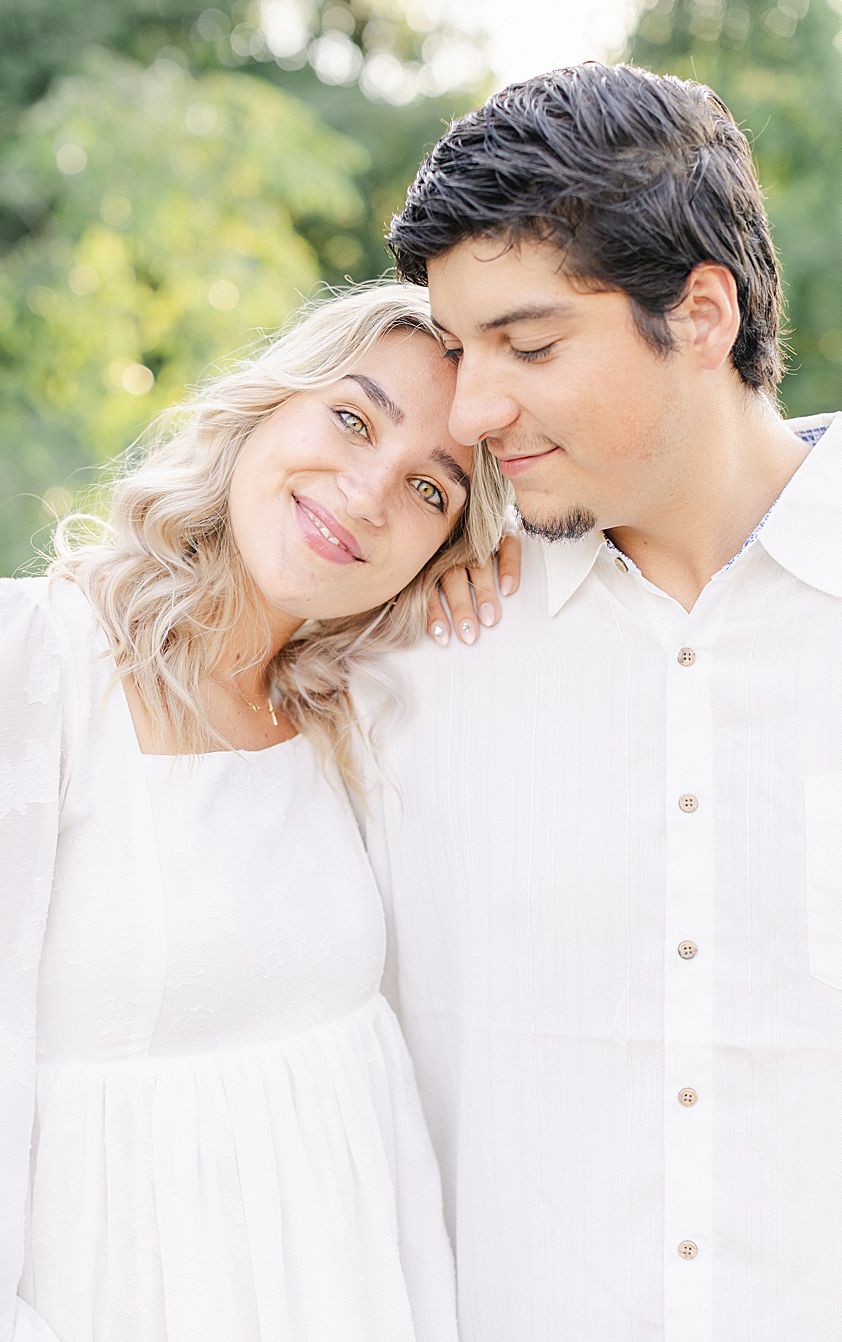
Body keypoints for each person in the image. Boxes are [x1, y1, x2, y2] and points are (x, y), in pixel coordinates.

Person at [365, 62, 842, 1339]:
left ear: (699, 313)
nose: (474, 409)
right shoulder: (416, 652)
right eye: (460, 352)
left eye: (528, 345)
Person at [0, 280, 512, 1342]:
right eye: (352, 418)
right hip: (115, 1291)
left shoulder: (354, 707)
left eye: (432, 491)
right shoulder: (34, 657)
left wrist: (495, 587)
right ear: (264, 407)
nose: (367, 492)